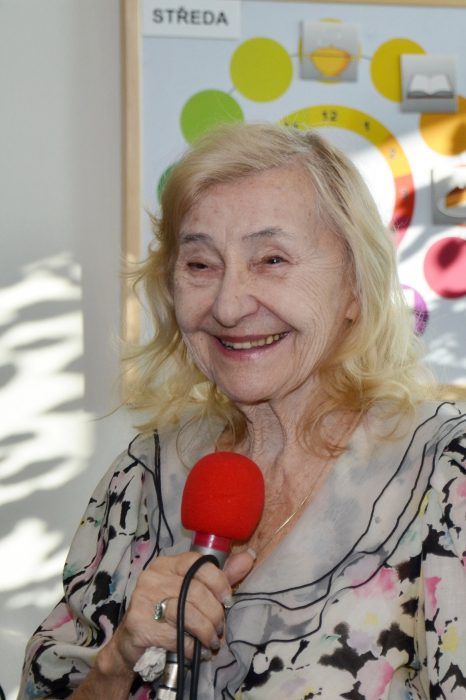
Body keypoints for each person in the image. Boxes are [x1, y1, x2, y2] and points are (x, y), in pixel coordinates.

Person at [18, 122, 466, 699]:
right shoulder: (142, 477)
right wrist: (117, 659)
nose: (228, 306)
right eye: (200, 265)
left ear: (356, 285)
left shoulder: (445, 471)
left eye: (271, 260)